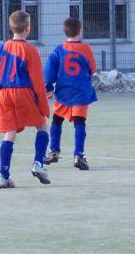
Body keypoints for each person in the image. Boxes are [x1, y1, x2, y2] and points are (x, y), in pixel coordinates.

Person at [0, 10, 51, 188]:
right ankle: (38, 164)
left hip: (4, 94)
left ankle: (3, 176)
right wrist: (44, 107)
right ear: (28, 28)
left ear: (11, 27)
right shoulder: (30, 50)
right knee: (42, 126)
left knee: (10, 133)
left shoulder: (4, 47)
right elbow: (37, 81)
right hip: (23, 92)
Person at [43, 18, 97, 171]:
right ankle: (79, 155)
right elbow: (92, 69)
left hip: (63, 92)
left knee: (57, 121)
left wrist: (48, 86)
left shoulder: (59, 50)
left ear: (64, 32)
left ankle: (54, 151)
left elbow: (49, 70)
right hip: (81, 92)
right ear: (80, 31)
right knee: (79, 122)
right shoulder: (86, 49)